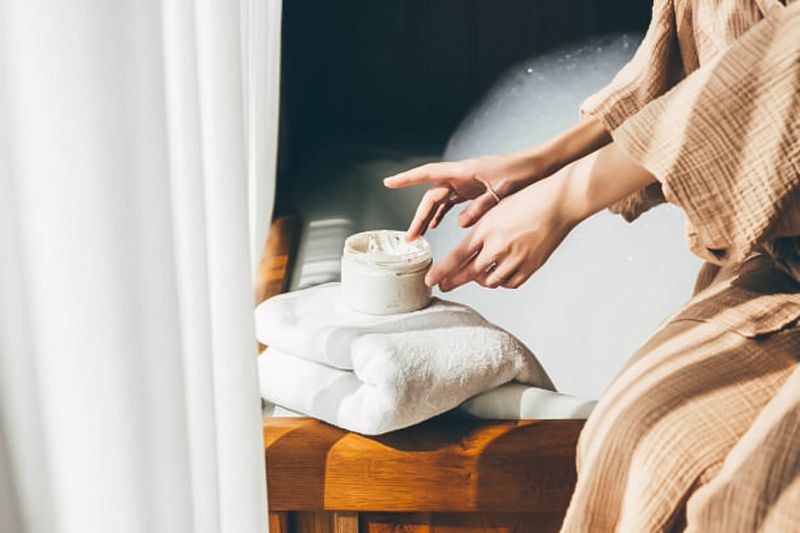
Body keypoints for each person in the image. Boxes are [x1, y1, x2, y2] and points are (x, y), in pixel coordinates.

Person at [383, 0, 800, 530]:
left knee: (756, 504)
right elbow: (697, 58)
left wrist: (563, 202)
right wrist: (533, 165)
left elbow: (780, 69)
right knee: (640, 436)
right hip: (784, 263)